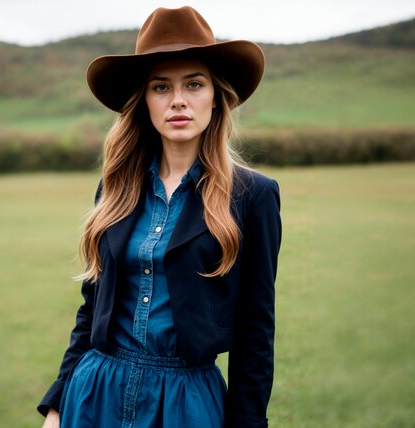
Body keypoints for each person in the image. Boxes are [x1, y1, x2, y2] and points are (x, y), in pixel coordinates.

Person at [38, 6, 281, 428]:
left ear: (215, 96)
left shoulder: (252, 197)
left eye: (194, 83)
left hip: (186, 403)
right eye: (160, 87)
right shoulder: (115, 189)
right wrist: (58, 403)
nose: (178, 100)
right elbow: (91, 308)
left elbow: (255, 332)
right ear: (144, 101)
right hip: (96, 393)